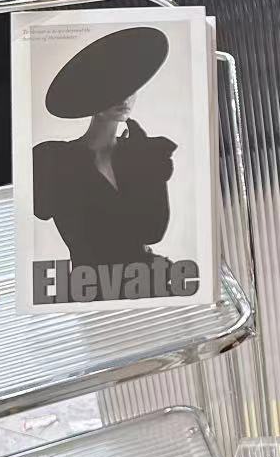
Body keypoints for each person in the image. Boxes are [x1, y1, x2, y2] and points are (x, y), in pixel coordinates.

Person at [31, 26, 177, 273]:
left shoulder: (144, 153)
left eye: (131, 86)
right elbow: (43, 211)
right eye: (113, 87)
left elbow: (153, 232)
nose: (124, 97)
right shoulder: (52, 159)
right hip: (89, 285)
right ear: (90, 94)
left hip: (150, 280)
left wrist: (140, 162)